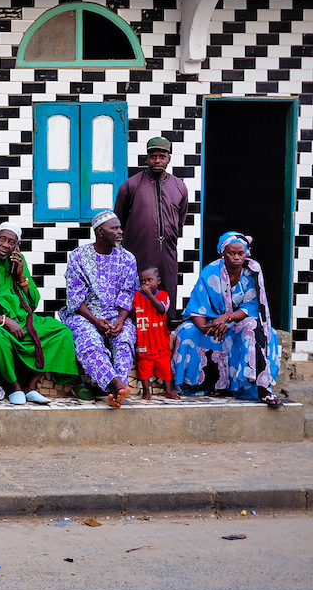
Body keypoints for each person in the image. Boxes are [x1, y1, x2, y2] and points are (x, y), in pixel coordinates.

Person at [0, 222, 78, 405]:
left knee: (61, 332)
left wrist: (21, 276)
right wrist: (6, 321)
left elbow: (32, 302)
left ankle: (30, 387)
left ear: (16, 246)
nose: (6, 245)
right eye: (3, 239)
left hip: (23, 320)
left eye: (11, 242)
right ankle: (13, 387)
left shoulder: (17, 263)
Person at [173, 231, 281, 407]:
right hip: (213, 324)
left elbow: (254, 306)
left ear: (247, 253)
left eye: (241, 253)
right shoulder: (210, 272)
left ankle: (261, 388)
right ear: (223, 252)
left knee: (254, 328)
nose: (237, 257)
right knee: (187, 331)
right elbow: (197, 305)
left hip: (238, 323)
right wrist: (206, 328)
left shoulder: (252, 272)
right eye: (232, 253)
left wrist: (227, 318)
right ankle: (205, 384)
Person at [59, 210, 138, 408]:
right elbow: (75, 299)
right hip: (84, 314)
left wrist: (120, 320)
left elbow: (128, 293)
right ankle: (116, 383)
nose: (120, 232)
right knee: (89, 340)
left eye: (120, 227)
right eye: (115, 228)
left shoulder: (128, 258)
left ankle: (117, 388)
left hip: (115, 315)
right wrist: (95, 321)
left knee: (125, 337)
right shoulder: (78, 257)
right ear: (100, 232)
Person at [114, 136, 189, 316]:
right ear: (146, 158)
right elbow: (118, 221)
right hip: (137, 252)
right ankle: (134, 336)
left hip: (167, 253)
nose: (157, 161)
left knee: (167, 292)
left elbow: (181, 220)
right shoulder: (130, 185)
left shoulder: (180, 187)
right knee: (136, 296)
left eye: (162, 156)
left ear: (168, 159)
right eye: (153, 156)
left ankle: (165, 335)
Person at [133, 264, 179, 400]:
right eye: (143, 281)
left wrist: (149, 295)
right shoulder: (136, 296)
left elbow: (162, 309)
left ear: (158, 281)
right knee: (144, 368)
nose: (146, 283)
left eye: (149, 280)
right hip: (143, 340)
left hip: (160, 340)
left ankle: (168, 390)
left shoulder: (164, 296)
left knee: (165, 368)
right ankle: (146, 392)